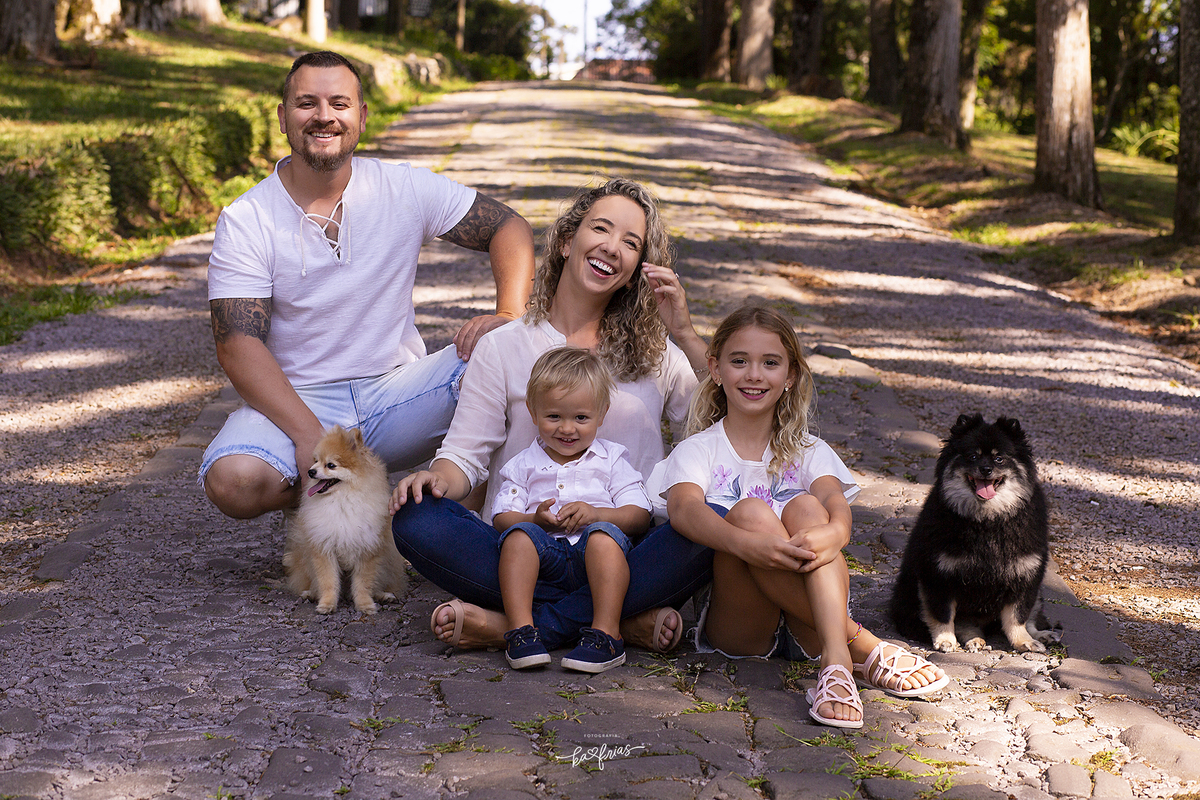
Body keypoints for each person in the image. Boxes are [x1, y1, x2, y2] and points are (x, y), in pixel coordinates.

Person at [199, 51, 535, 519]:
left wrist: (509, 314)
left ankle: (471, 531)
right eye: (306, 103)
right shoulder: (247, 218)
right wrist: (309, 438)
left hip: (400, 395)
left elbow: (509, 228)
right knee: (235, 481)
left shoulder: (402, 188)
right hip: (299, 398)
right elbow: (237, 346)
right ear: (282, 117)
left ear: (361, 116)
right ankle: (344, 505)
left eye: (339, 103)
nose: (323, 117)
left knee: (515, 353)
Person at [389, 177, 709, 654]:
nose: (612, 248)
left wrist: (683, 331)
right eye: (601, 229)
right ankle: (615, 621)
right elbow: (465, 455)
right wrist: (434, 479)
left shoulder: (656, 351)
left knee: (713, 525)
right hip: (525, 547)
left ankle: (516, 626)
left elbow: (720, 424)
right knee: (417, 517)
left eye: (631, 242)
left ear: (639, 268)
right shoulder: (504, 345)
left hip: (624, 548)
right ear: (566, 240)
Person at [651, 305, 948, 729]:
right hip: (741, 626)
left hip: (808, 628)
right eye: (739, 361)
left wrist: (837, 532)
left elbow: (834, 501)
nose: (754, 375)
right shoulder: (699, 449)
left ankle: (834, 663)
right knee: (751, 512)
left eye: (770, 363)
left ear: (790, 376)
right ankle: (860, 647)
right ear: (714, 369)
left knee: (810, 508)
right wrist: (747, 543)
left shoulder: (807, 449)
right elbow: (683, 509)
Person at [484, 347, 651, 673]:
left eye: (581, 418)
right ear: (533, 412)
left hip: (598, 559)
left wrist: (599, 515)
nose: (567, 429)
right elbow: (501, 517)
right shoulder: (524, 464)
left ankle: (606, 635)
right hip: (544, 563)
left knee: (604, 538)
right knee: (519, 536)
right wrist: (534, 520)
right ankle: (522, 632)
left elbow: (640, 514)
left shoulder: (612, 459)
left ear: (602, 414)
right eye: (554, 416)